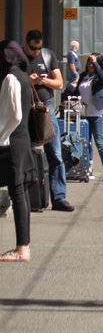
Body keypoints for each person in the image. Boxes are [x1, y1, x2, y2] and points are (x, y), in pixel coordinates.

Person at [24, 30, 72, 212]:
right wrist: (28, 81)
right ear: (26, 44)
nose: (36, 51)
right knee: (26, 152)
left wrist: (42, 81)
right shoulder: (20, 58)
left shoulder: (47, 56)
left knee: (55, 152)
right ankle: (31, 198)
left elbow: (59, 83)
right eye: (32, 48)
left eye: (38, 48)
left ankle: (59, 198)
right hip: (25, 108)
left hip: (45, 108)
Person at [1, 40, 37, 262]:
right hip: (22, 140)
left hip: (11, 141)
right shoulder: (23, 76)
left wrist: (2, 134)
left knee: (17, 193)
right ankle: (23, 247)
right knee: (20, 192)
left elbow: (14, 115)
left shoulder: (11, 78)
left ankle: (22, 249)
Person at [76, 52, 103, 182]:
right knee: (86, 142)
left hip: (97, 113)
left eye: (93, 63)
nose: (90, 65)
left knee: (99, 141)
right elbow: (76, 91)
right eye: (89, 63)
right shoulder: (84, 76)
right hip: (84, 114)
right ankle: (89, 168)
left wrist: (96, 63)